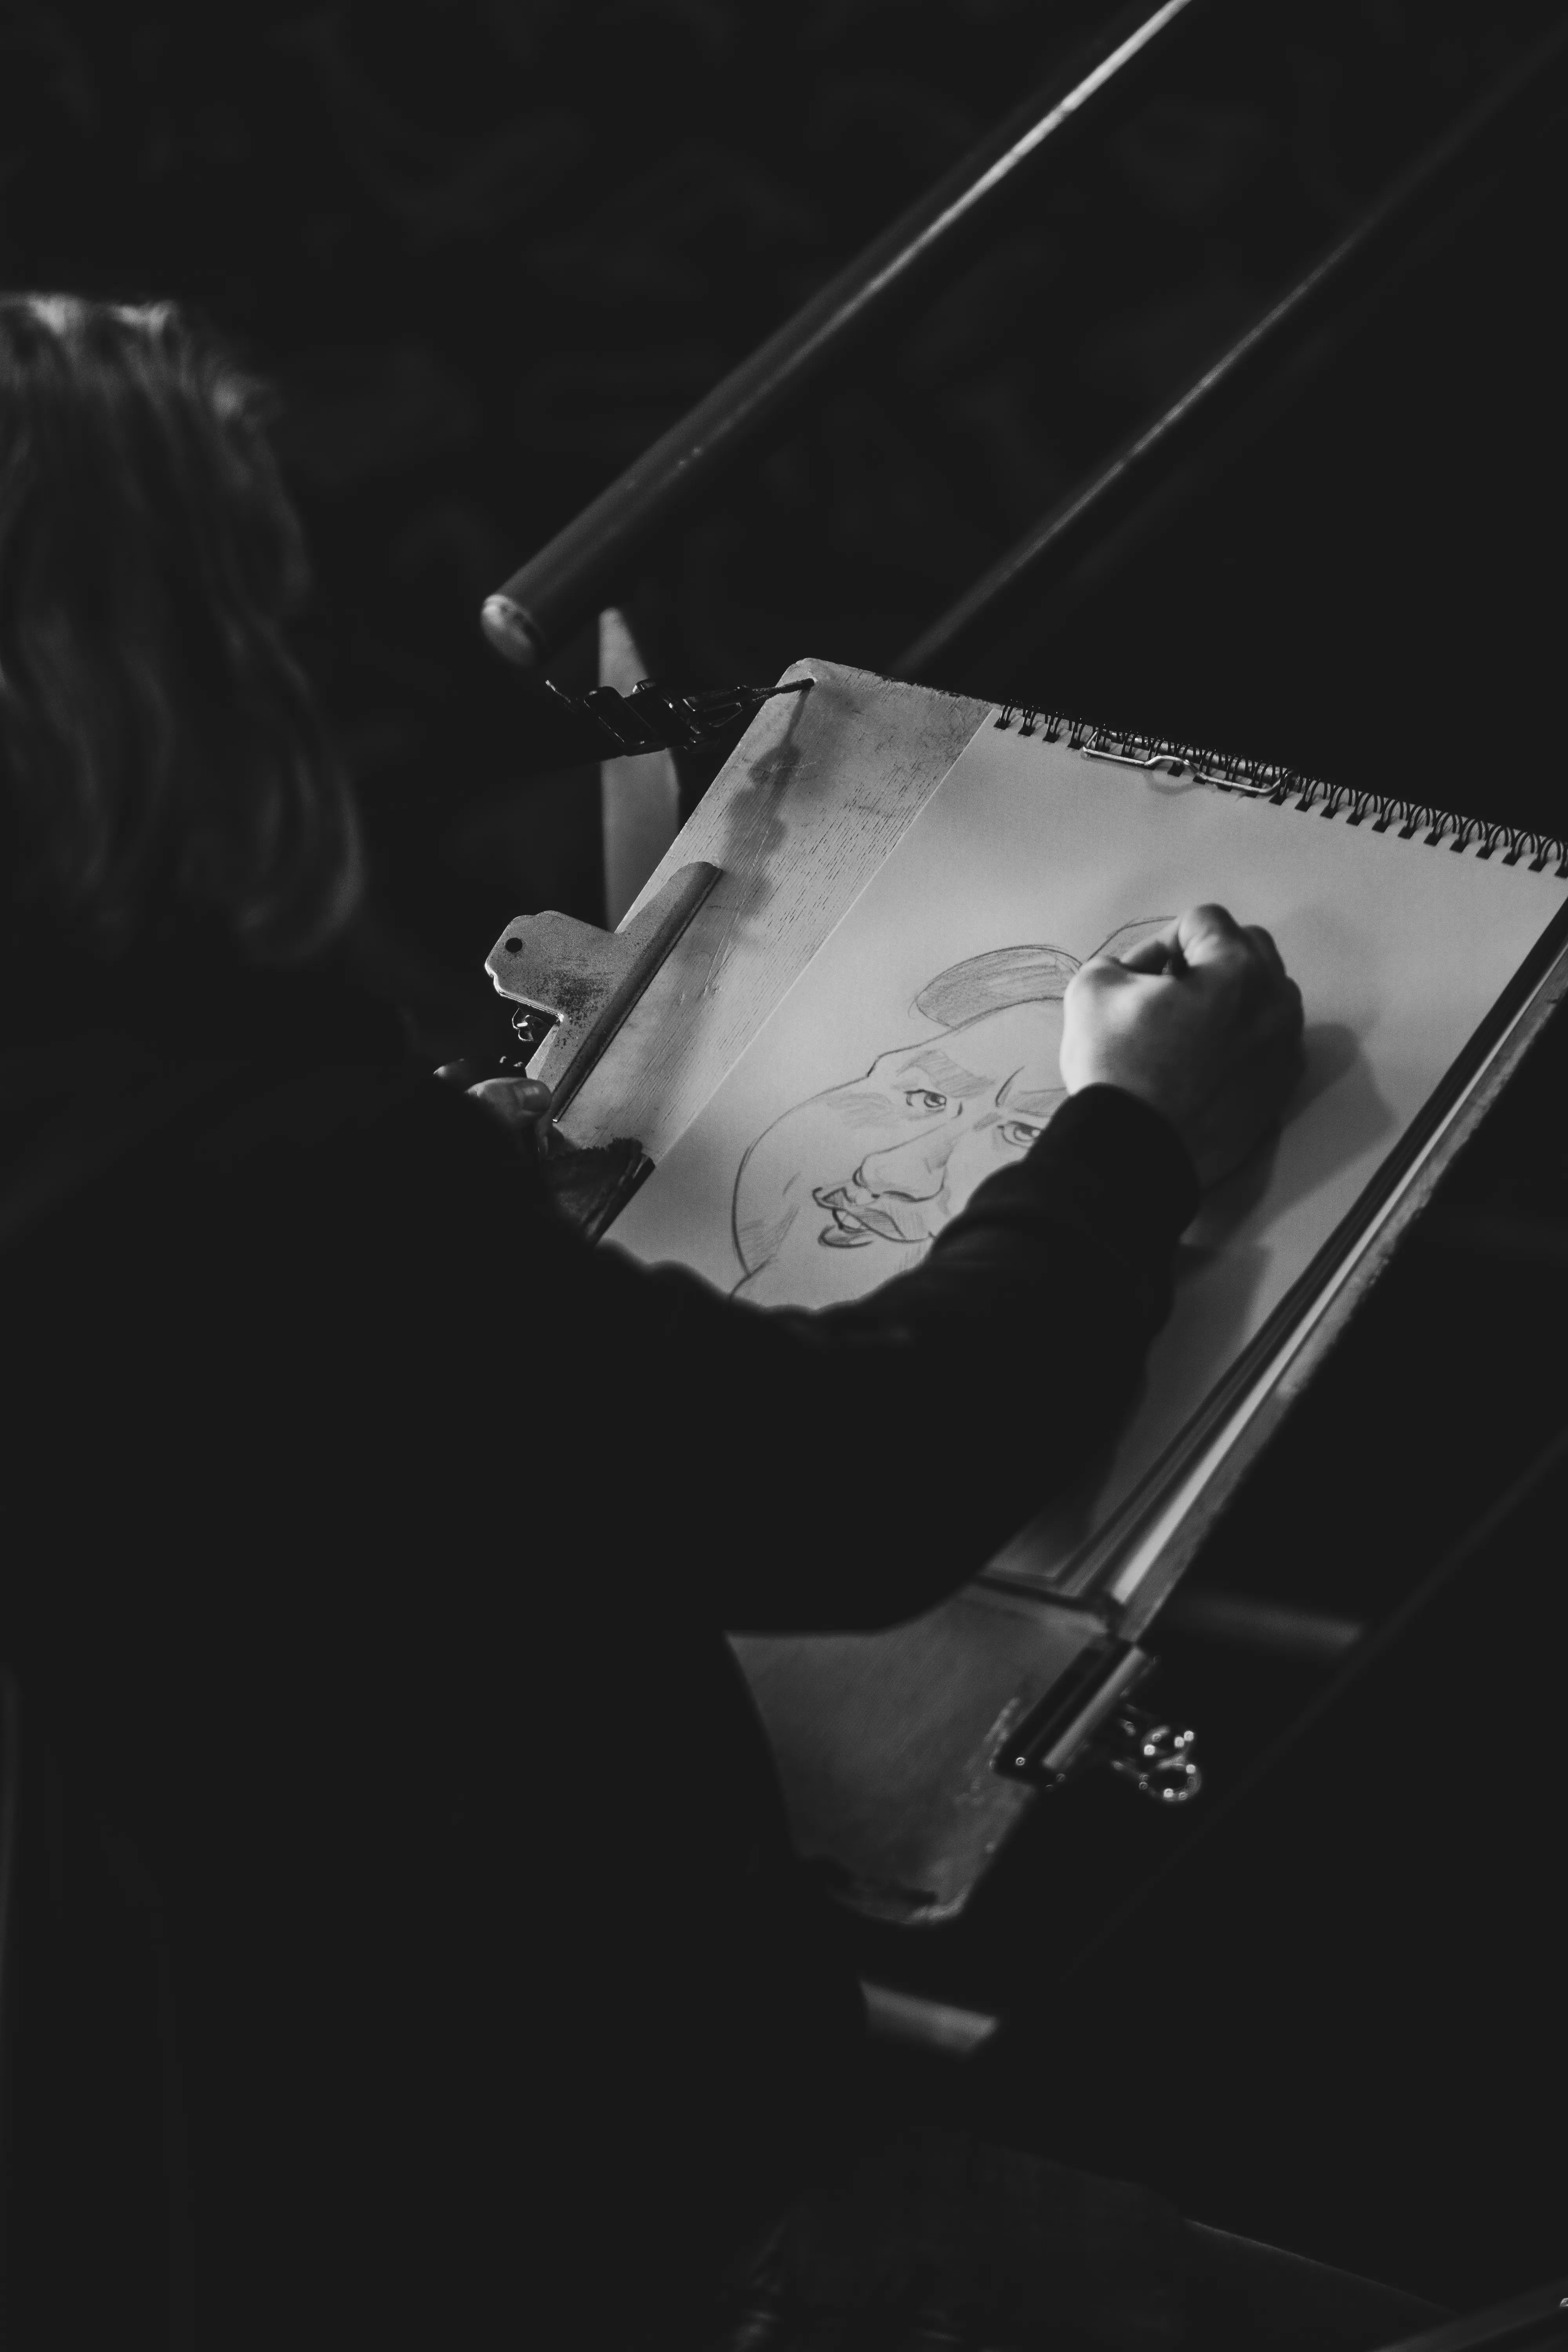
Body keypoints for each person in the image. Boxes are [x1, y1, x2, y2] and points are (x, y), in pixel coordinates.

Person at [0, 294, 1309, 2349]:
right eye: (238, 612)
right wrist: (1129, 1134)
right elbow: (859, 1485)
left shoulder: (153, 1148)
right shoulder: (254, 1184)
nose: (290, 670)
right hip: (560, 2213)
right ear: (118, 675)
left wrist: (426, 1249)